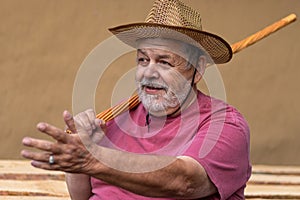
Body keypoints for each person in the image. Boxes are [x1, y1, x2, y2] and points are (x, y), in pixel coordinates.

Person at [21, 0, 251, 199]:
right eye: (143, 60)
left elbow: (185, 182)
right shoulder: (115, 119)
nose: (148, 72)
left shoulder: (225, 124)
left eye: (164, 62)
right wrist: (78, 161)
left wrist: (92, 159)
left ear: (198, 69)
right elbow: (82, 197)